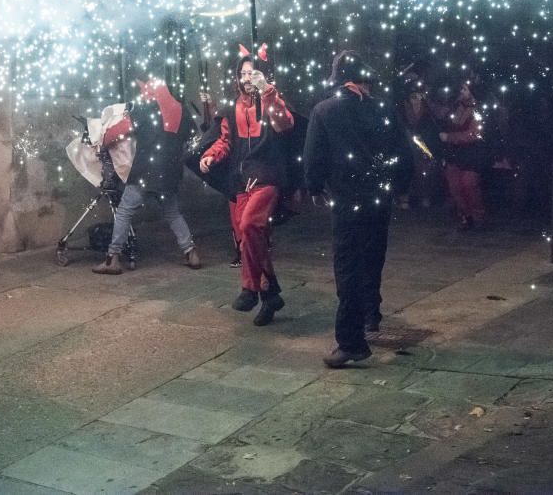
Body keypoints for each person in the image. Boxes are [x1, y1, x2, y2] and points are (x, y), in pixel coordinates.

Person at [304, 50, 413, 368]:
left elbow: (314, 158)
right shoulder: (383, 110)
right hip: (379, 198)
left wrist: (314, 186)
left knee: (348, 267)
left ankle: (351, 341)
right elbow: (404, 153)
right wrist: (401, 187)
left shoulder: (324, 111)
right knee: (373, 255)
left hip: (347, 200)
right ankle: (371, 313)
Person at [200, 47, 295, 326]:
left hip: (267, 176)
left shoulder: (271, 101)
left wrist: (268, 92)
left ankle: (250, 288)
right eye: (242, 74)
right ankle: (271, 295)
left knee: (251, 225)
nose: (245, 79)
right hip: (241, 179)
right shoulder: (232, 108)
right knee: (250, 240)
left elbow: (284, 125)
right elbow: (226, 140)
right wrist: (210, 155)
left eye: (250, 73)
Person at [92, 77, 201, 275]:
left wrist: (103, 141)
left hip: (145, 171)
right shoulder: (183, 111)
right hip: (171, 173)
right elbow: (193, 138)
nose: (143, 95)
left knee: (124, 211)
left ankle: (112, 259)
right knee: (173, 212)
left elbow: (119, 130)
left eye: (145, 91)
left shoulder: (146, 110)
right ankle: (191, 252)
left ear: (152, 92)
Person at [440, 82, 487, 230]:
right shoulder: (455, 106)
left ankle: (478, 216)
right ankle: (465, 216)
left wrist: (450, 137)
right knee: (454, 186)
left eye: (465, 89)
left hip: (471, 154)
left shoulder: (478, 110)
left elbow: (474, 134)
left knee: (469, 184)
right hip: (454, 153)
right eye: (461, 88)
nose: (461, 91)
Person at [397, 84, 441, 210]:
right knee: (405, 170)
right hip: (407, 144)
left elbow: (436, 121)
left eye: (417, 96)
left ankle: (425, 196)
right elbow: (401, 127)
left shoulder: (428, 110)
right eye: (412, 97)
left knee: (425, 170)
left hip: (424, 143)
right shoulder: (403, 110)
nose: (415, 100)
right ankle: (404, 197)